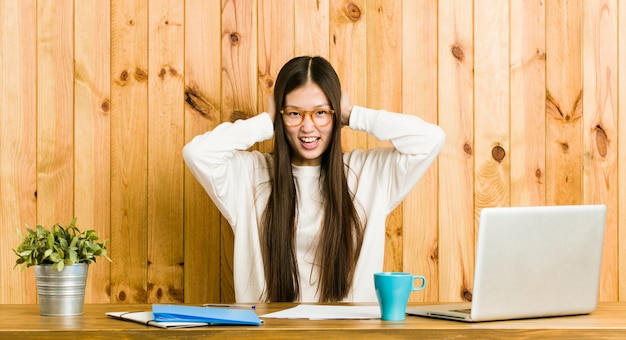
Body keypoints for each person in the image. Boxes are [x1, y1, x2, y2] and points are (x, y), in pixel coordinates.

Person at [183, 56, 445, 303]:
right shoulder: (248, 175)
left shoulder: (369, 172)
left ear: (335, 114)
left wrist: (353, 115)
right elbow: (198, 154)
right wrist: (266, 121)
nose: (308, 127)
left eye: (320, 112)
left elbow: (430, 139)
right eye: (295, 113)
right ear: (281, 117)